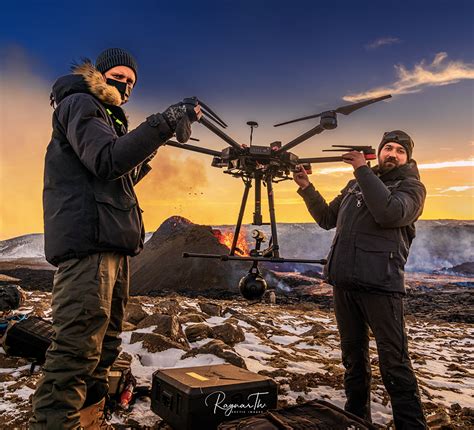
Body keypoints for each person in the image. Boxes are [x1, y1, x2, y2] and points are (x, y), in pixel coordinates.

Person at [30, 48, 202, 429]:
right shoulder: (81, 104)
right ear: (98, 75)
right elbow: (106, 161)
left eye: (131, 82)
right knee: (77, 352)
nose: (125, 85)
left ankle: (89, 420)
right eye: (118, 77)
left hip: (110, 245)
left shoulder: (104, 117)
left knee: (103, 349)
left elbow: (108, 174)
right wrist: (163, 122)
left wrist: (149, 144)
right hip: (89, 246)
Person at [294, 130, 427, 429]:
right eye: (388, 148)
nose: (392, 154)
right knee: (353, 361)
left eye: (400, 151)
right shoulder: (356, 185)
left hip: (381, 285)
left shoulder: (411, 187)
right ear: (379, 151)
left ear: (408, 157)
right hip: (345, 285)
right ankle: (356, 420)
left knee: (395, 363)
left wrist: (362, 169)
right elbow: (327, 218)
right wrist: (306, 187)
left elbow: (390, 213)